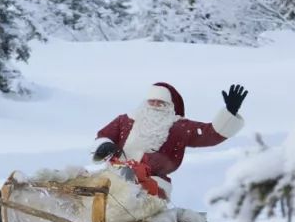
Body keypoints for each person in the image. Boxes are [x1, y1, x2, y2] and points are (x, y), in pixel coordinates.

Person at [91, 82, 247, 199]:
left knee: (133, 198)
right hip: (116, 172)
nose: (155, 106)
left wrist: (229, 112)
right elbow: (105, 135)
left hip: (153, 182)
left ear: (170, 106)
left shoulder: (179, 127)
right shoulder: (126, 120)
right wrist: (105, 146)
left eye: (161, 103)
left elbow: (211, 134)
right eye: (152, 101)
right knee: (91, 187)